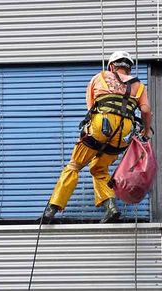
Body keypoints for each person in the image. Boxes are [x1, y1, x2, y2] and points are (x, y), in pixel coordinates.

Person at [40, 51, 152, 224]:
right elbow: (145, 111)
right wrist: (145, 132)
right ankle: (111, 207)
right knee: (99, 169)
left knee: (74, 165)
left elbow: (91, 107)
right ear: (129, 68)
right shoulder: (139, 86)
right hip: (123, 135)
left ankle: (52, 208)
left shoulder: (99, 77)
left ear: (112, 66)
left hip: (101, 126)